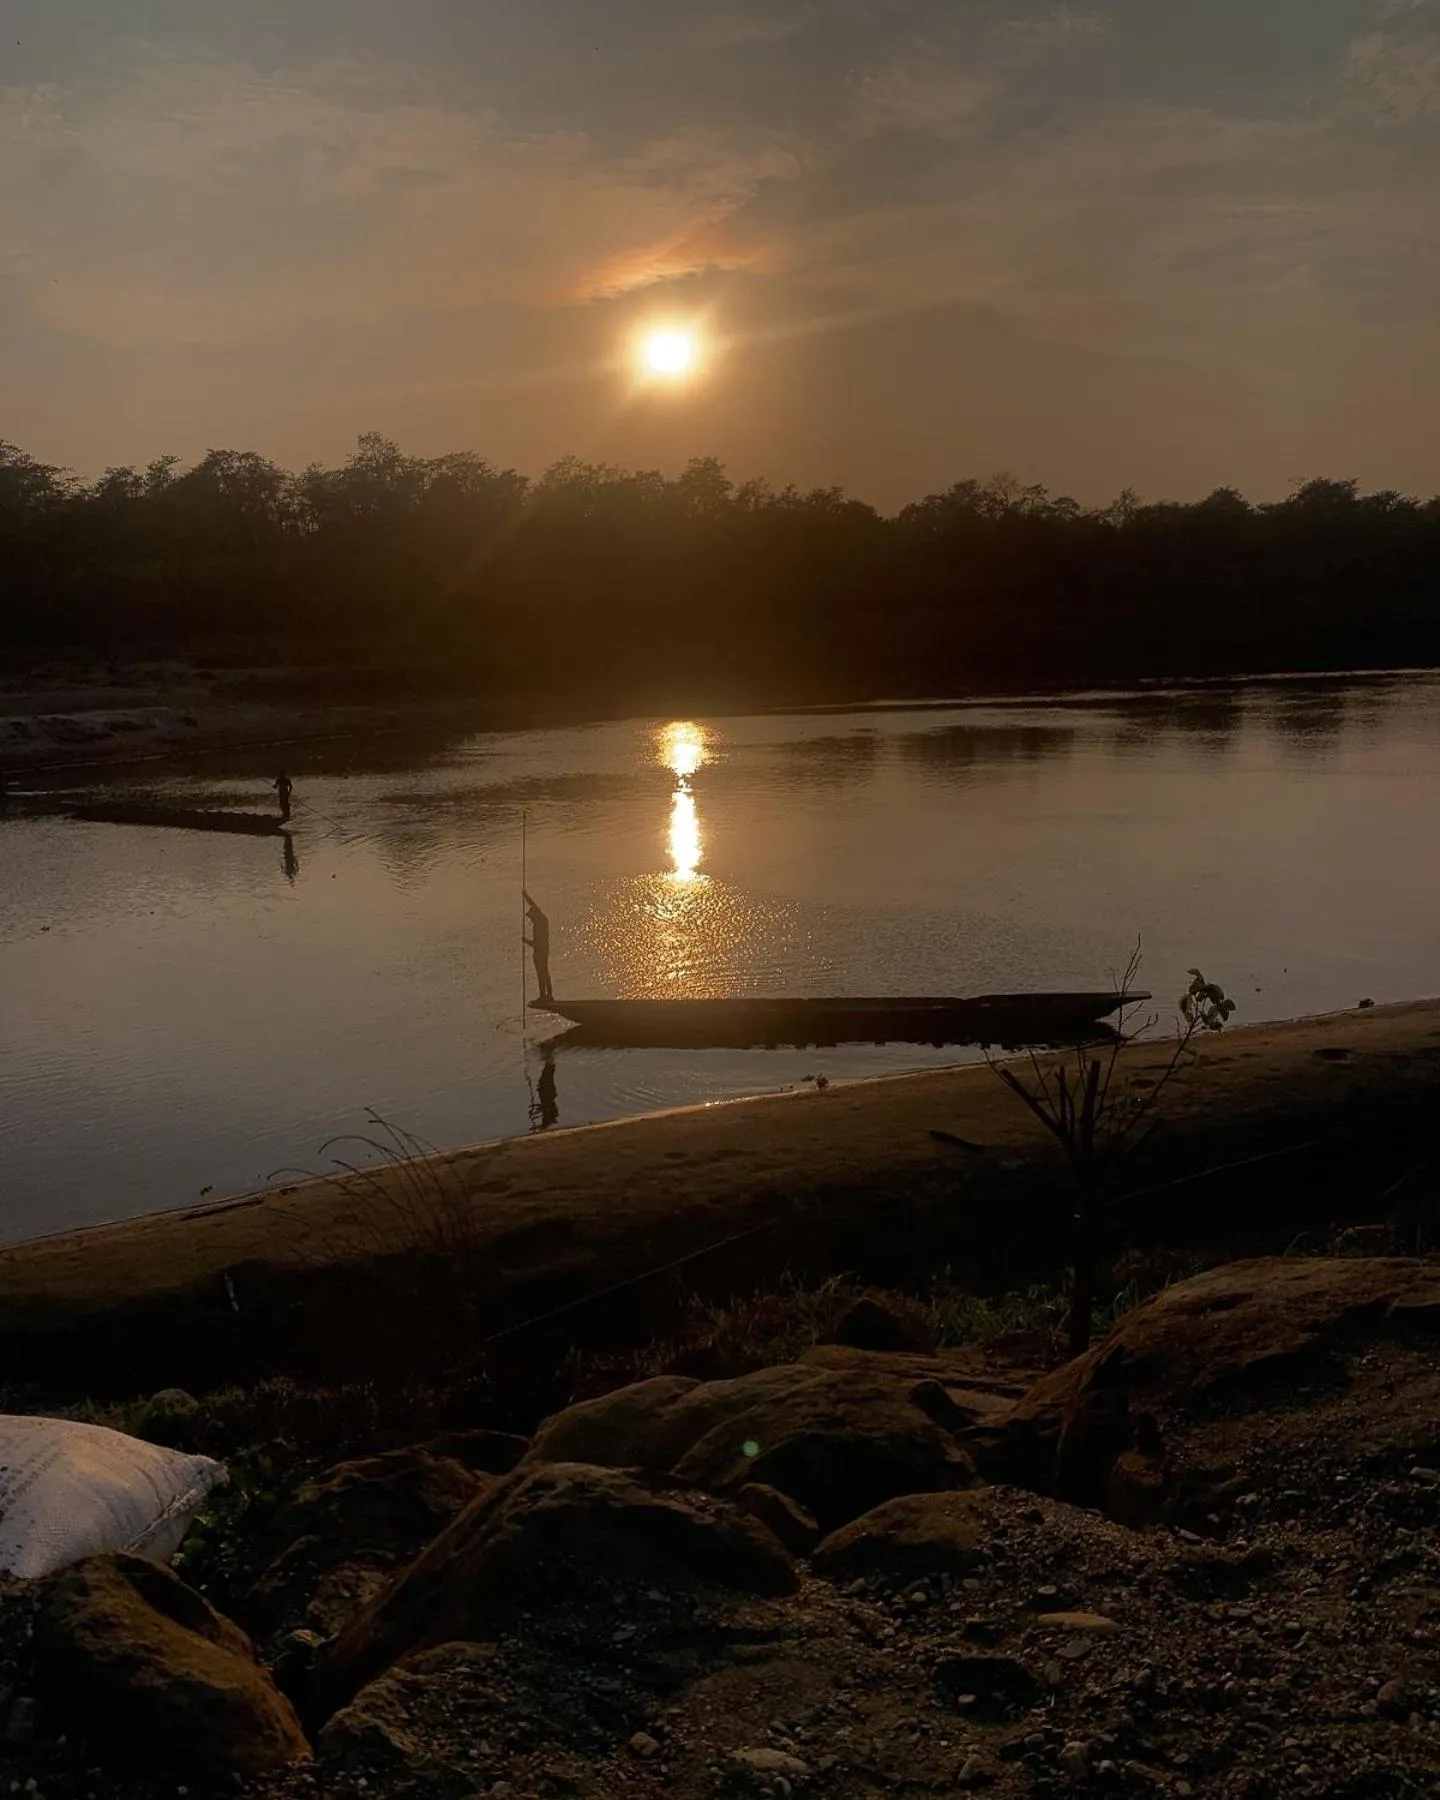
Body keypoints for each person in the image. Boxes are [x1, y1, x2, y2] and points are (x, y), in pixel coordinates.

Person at [522, 890, 554, 1002]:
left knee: (542, 973)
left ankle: (544, 995)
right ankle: (547, 995)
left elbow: (537, 944)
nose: (530, 919)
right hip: (542, 950)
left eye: (531, 917)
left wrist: (525, 941)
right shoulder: (541, 919)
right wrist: (525, 895)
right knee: (544, 972)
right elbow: (532, 903)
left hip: (541, 951)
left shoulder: (540, 922)